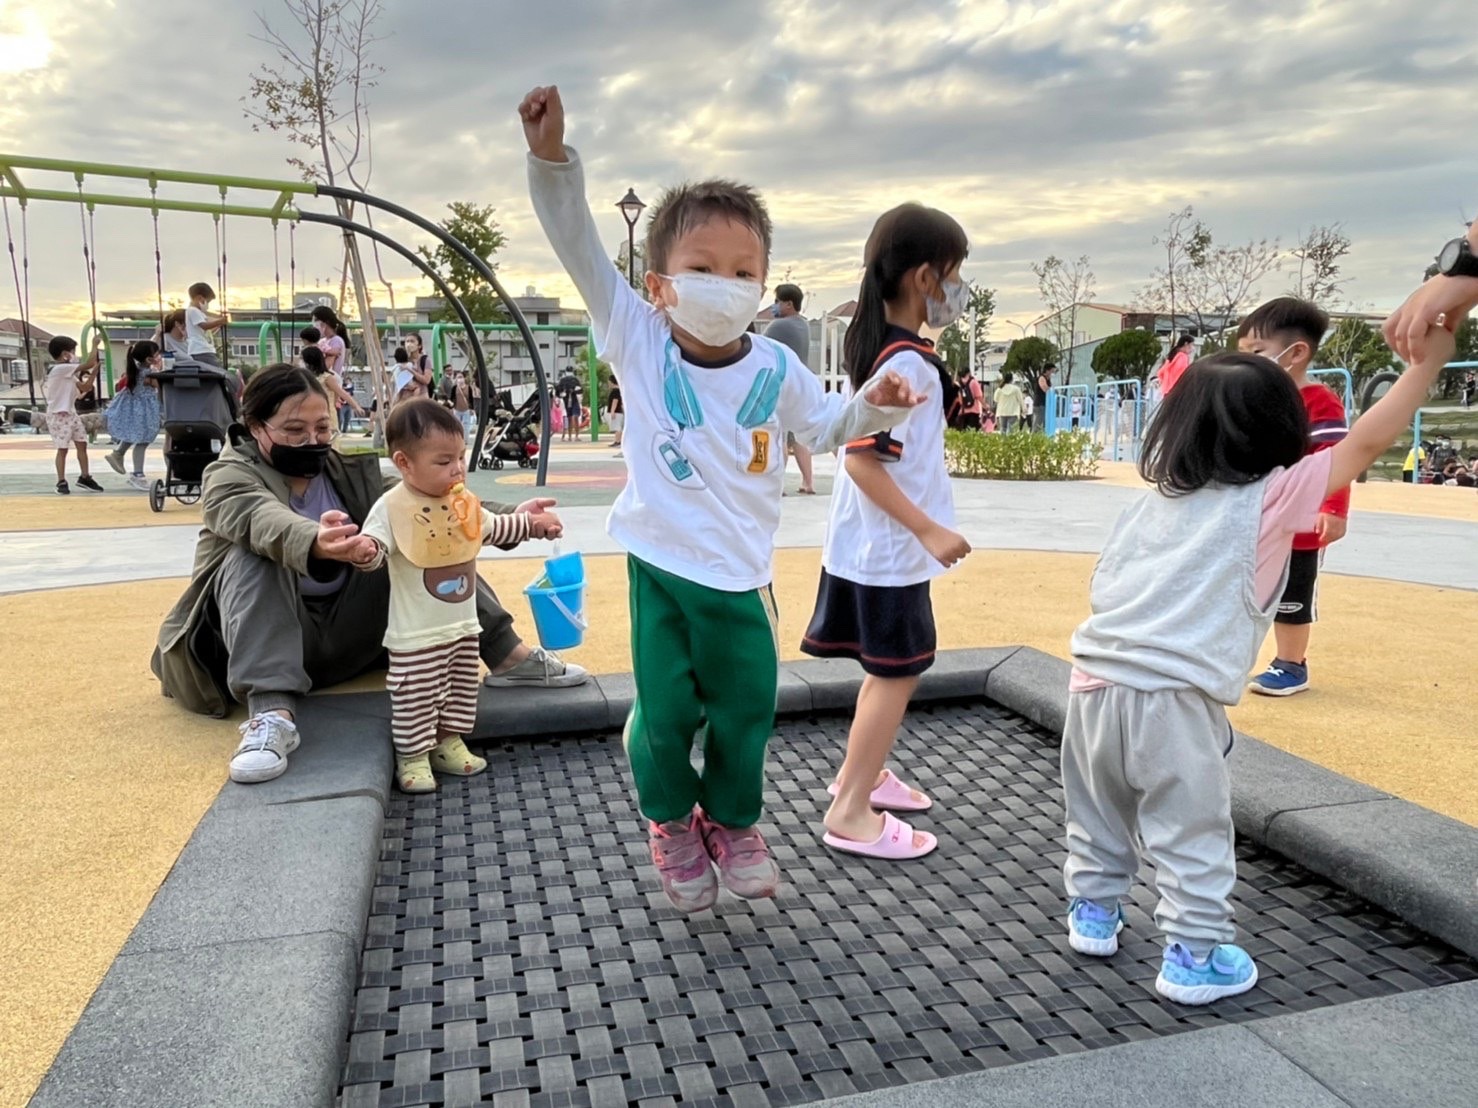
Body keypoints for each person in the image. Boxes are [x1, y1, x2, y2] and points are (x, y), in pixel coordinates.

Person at [520, 83, 919, 912]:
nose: (725, 285)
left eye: (744, 273)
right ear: (660, 282)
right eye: (702, 269)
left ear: (764, 285)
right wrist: (552, 161)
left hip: (740, 575)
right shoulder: (637, 335)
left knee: (745, 709)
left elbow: (827, 425)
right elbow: (579, 246)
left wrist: (876, 404)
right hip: (662, 565)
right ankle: (671, 819)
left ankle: (733, 822)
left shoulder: (775, 365)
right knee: (665, 711)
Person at [1062, 313, 1459, 1006]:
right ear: (1281, 431)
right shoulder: (1271, 497)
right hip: (1173, 698)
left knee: (1097, 811)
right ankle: (1194, 956)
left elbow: (1108, 584)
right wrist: (1425, 366)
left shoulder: (1153, 502)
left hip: (1090, 683)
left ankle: (1093, 913)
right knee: (1190, 829)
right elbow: (1367, 440)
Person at [151, 362, 589, 785]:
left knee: (428, 541)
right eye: (294, 430)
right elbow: (258, 518)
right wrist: (313, 539)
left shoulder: (344, 467)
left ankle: (507, 657)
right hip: (255, 643)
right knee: (255, 554)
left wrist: (517, 516)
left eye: (322, 428)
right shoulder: (228, 475)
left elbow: (423, 500)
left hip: (345, 635)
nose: (312, 440)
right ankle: (270, 714)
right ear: (254, 427)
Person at [802, 203, 973, 861]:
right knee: (896, 674)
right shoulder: (905, 367)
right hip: (889, 550)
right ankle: (851, 808)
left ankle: (865, 775)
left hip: (872, 547)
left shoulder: (895, 354)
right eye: (955, 274)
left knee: (890, 670)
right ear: (926, 277)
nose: (960, 290)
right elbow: (862, 461)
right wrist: (929, 530)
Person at [355, 399, 565, 792]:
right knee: (415, 695)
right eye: (443, 461)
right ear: (404, 463)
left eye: (460, 457)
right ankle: (413, 754)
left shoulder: (462, 503)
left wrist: (532, 525)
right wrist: (365, 551)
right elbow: (375, 545)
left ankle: (447, 742)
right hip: (415, 635)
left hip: (464, 628)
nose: (457, 469)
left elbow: (495, 526)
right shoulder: (391, 507)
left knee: (460, 690)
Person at [1238, 299, 1349, 698]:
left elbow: (1335, 459)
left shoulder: (1318, 401)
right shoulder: (1252, 399)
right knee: (1247, 586)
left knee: (1292, 594)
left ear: (1296, 353)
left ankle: (1291, 663)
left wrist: (1333, 508)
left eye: (1256, 351)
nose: (1248, 361)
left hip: (1300, 522)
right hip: (1258, 515)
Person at [767, 283, 816, 493]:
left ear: (788, 304)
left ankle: (779, 485)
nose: (774, 305)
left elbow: (760, 347)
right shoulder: (803, 325)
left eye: (777, 301)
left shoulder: (779, 326)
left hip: (782, 387)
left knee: (780, 437)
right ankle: (808, 482)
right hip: (801, 386)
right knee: (799, 438)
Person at [44, 335, 105, 495]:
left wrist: (93, 374)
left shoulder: (68, 374)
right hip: (58, 415)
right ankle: (61, 481)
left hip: (71, 414)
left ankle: (85, 477)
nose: (75, 355)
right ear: (65, 354)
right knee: (62, 449)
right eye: (73, 351)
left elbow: (85, 388)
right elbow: (89, 363)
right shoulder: (59, 369)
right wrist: (94, 345)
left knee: (82, 444)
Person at [104, 339, 163, 490]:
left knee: (135, 435)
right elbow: (160, 387)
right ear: (149, 359)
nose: (160, 356)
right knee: (142, 441)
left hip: (136, 410)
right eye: (157, 354)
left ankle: (118, 453)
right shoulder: (148, 374)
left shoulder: (136, 370)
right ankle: (138, 475)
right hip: (144, 411)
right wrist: (160, 370)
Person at [186, 283, 228, 368]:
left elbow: (205, 330)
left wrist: (218, 324)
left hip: (203, 349)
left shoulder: (198, 312)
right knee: (215, 370)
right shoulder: (193, 311)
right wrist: (220, 321)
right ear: (200, 298)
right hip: (200, 349)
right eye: (207, 301)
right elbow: (204, 326)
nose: (207, 304)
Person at [395, 334, 434, 404]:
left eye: (412, 341)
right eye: (407, 341)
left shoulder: (425, 360)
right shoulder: (403, 359)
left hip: (421, 399)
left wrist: (410, 370)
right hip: (405, 399)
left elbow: (426, 380)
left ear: (419, 345)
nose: (409, 344)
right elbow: (398, 379)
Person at [555, 364, 582, 442]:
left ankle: (576, 435)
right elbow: (558, 390)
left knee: (574, 416)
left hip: (574, 400)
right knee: (569, 418)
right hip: (566, 401)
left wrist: (574, 391)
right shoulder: (564, 380)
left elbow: (580, 390)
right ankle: (570, 436)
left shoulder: (573, 380)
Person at [451, 370, 475, 440]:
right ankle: (458, 439)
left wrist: (472, 409)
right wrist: (451, 407)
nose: (460, 379)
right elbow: (451, 398)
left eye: (461, 377)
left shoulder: (468, 388)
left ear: (464, 378)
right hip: (457, 409)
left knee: (466, 425)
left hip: (466, 409)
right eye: (458, 377)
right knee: (457, 425)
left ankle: (465, 440)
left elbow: (471, 399)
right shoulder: (454, 388)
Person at [1031, 363, 1054, 431]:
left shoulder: (1048, 379)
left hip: (1044, 403)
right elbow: (1045, 389)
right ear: (1047, 370)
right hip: (1040, 404)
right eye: (1052, 371)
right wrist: (1050, 389)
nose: (1052, 373)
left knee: (1044, 422)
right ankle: (1035, 435)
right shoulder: (1042, 378)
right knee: (1038, 422)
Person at [605, 375, 624, 452]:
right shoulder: (619, 390)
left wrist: (612, 411)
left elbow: (615, 401)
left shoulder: (615, 391)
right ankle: (617, 440)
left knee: (617, 427)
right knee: (617, 427)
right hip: (619, 411)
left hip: (616, 412)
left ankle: (618, 441)